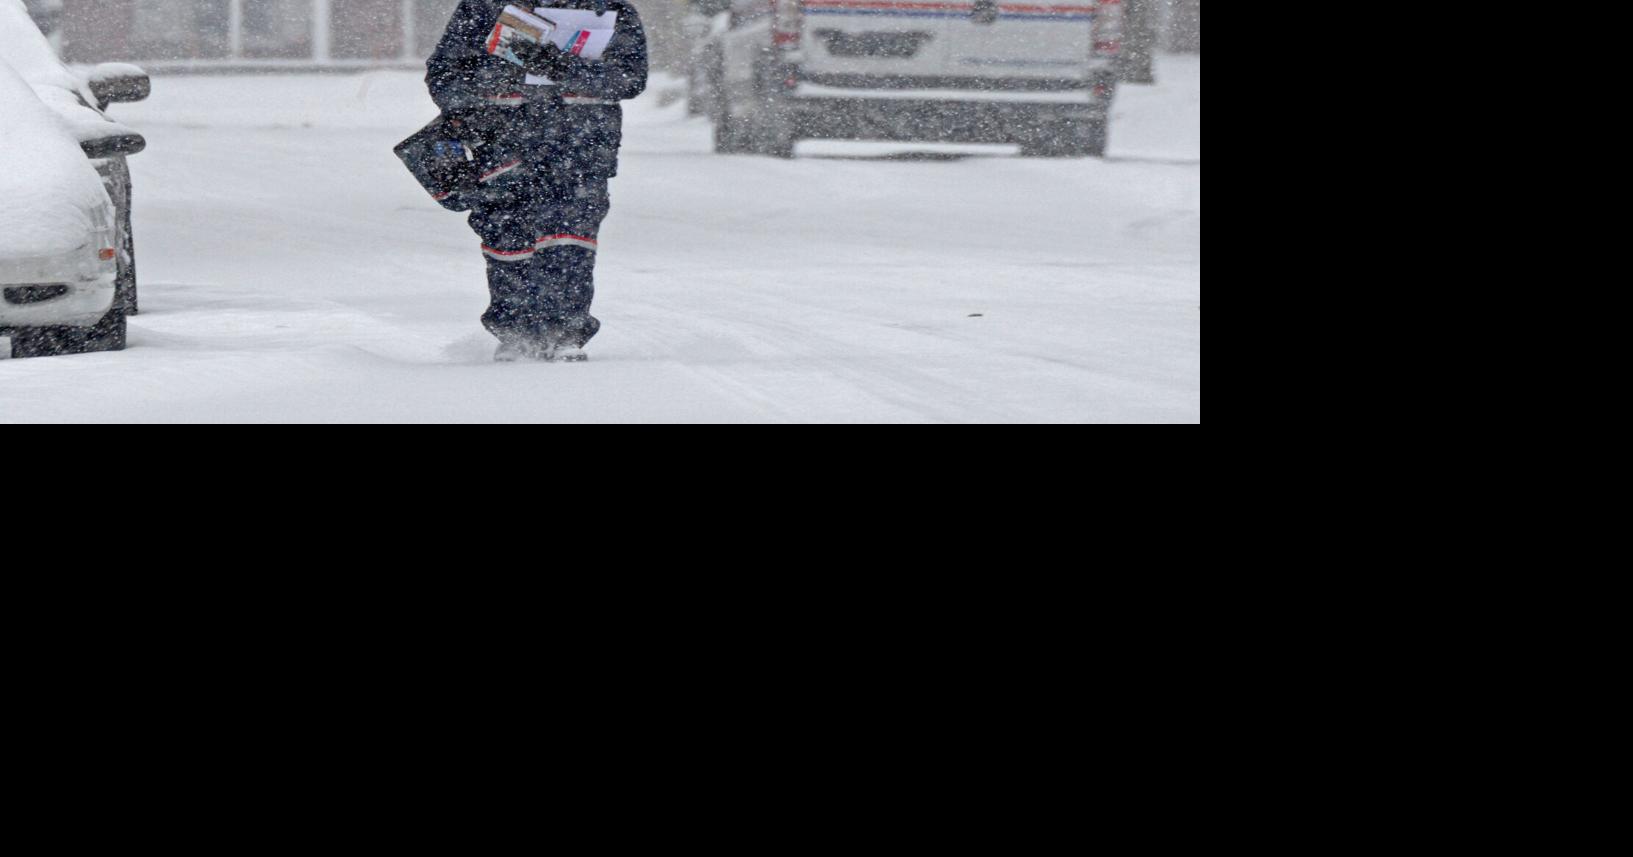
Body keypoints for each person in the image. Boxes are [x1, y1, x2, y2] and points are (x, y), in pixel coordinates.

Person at [426, 0, 648, 362]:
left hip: (581, 145)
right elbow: (444, 74)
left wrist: (560, 67)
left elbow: (630, 77)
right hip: (501, 145)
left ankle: (565, 334)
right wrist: (487, 90)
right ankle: (515, 333)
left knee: (570, 236)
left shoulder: (610, 9)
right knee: (506, 235)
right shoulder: (484, 8)